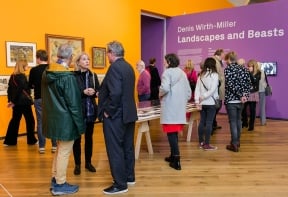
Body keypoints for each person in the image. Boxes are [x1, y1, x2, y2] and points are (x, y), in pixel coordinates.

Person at [42, 44, 85, 195]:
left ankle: (55, 178)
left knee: (60, 149)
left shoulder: (47, 72)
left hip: (54, 119)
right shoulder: (67, 76)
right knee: (64, 151)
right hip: (66, 121)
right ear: (71, 57)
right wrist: (80, 125)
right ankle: (60, 184)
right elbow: (74, 105)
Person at [98, 41, 138, 195]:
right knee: (128, 147)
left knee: (115, 149)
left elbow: (115, 93)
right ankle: (129, 177)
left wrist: (108, 110)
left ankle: (120, 184)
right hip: (128, 114)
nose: (107, 56)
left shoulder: (114, 67)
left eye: (107, 53)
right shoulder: (128, 66)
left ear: (111, 53)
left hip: (116, 115)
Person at [159, 53, 191, 170]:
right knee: (174, 132)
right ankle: (172, 155)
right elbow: (188, 92)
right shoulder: (182, 73)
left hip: (170, 106)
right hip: (179, 107)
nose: (163, 62)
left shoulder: (167, 73)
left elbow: (165, 88)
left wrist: (160, 93)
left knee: (171, 133)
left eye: (165, 61)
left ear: (169, 62)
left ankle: (176, 160)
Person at [72, 52, 100, 175]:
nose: (87, 61)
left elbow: (98, 90)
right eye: (84, 59)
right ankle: (77, 164)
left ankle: (88, 163)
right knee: (77, 139)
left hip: (90, 111)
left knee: (89, 138)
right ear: (78, 62)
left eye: (88, 59)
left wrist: (94, 92)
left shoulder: (93, 75)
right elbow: (71, 94)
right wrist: (83, 92)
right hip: (78, 112)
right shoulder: (72, 76)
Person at [29, 50, 57, 154]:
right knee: (53, 120)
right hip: (51, 98)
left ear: (39, 58)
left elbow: (30, 85)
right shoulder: (52, 68)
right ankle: (54, 145)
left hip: (39, 98)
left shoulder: (34, 70)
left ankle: (42, 147)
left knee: (40, 122)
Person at [4, 59, 37, 146]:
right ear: (23, 66)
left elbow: (9, 90)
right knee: (30, 121)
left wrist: (11, 101)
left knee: (15, 121)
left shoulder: (13, 76)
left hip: (16, 103)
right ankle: (31, 140)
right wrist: (13, 101)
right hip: (24, 103)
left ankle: (9, 141)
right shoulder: (22, 77)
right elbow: (19, 90)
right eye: (26, 65)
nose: (28, 67)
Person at [224, 51, 250, 152]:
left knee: (233, 122)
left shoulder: (228, 69)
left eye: (226, 59)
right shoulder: (243, 69)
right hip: (241, 101)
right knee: (239, 120)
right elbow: (247, 84)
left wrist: (240, 95)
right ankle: (237, 141)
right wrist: (244, 96)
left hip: (231, 100)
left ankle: (234, 143)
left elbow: (230, 85)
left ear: (229, 59)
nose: (225, 61)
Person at [194, 57, 219, 151]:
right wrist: (203, 96)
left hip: (202, 103)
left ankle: (201, 142)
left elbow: (196, 89)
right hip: (211, 102)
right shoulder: (215, 75)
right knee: (209, 123)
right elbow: (212, 90)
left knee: (202, 122)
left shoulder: (201, 75)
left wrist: (197, 100)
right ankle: (207, 144)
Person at [241, 59, 261, 131]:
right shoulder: (247, 72)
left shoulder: (258, 73)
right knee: (243, 109)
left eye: (250, 66)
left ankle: (251, 125)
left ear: (254, 66)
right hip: (246, 93)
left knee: (252, 110)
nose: (248, 67)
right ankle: (245, 123)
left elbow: (254, 81)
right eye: (248, 66)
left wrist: (249, 73)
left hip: (253, 93)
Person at [212, 49, 225, 132]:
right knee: (216, 106)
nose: (224, 56)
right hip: (217, 87)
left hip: (219, 86)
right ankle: (212, 124)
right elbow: (216, 74)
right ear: (219, 54)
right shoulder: (215, 61)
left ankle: (214, 123)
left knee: (217, 106)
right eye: (223, 54)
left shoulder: (218, 61)